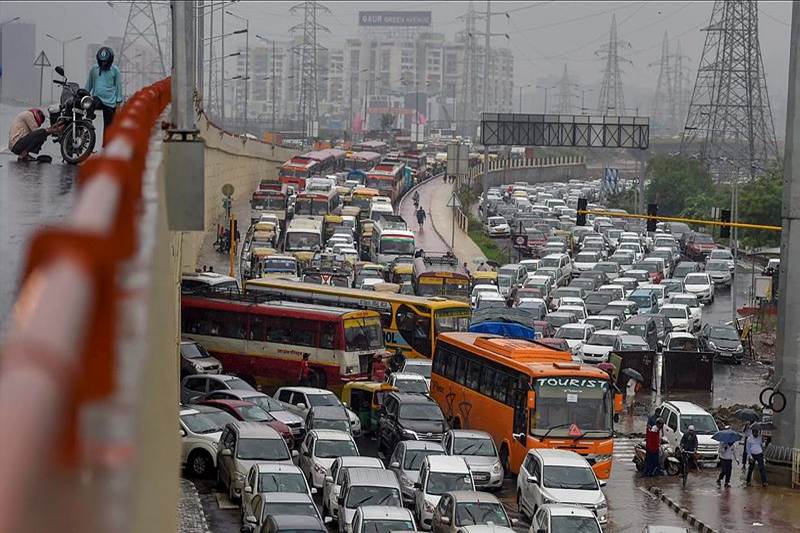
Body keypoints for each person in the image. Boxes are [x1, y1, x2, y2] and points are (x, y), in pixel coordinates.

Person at [86, 46, 123, 144]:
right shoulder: (94, 69)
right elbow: (88, 85)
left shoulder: (115, 70)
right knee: (91, 102)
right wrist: (84, 95)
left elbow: (119, 87)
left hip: (110, 102)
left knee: (108, 127)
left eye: (105, 61)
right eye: (101, 61)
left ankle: (105, 147)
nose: (103, 63)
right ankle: (88, 122)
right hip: (97, 98)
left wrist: (118, 104)